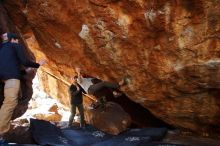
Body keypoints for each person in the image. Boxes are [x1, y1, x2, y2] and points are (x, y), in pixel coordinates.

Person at [0, 33, 46, 145]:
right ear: (14, 40)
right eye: (17, 41)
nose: (19, 42)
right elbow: (24, 61)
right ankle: (1, 132)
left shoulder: (2, 48)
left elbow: (10, 67)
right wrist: (37, 64)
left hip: (4, 78)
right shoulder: (15, 46)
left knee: (7, 102)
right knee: (10, 102)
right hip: (11, 80)